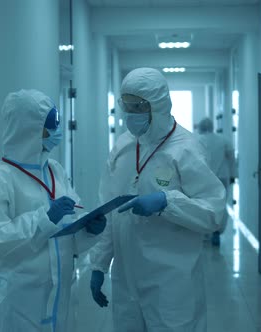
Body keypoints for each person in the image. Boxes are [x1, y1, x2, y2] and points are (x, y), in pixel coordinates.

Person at [88, 68, 226, 332]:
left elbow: (214, 213)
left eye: (137, 106)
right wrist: (99, 263)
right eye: (125, 105)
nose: (130, 114)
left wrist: (168, 202)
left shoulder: (186, 149)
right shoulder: (123, 148)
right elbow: (108, 209)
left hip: (172, 284)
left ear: (158, 105)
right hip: (127, 281)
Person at [0, 89, 106, 332]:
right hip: (17, 303)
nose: (57, 131)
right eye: (51, 125)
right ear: (29, 130)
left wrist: (89, 231)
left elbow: (68, 233)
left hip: (58, 300)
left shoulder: (54, 170)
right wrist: (44, 219)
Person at [197, 117, 237, 246]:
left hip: (203, 179)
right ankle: (217, 233)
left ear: (200, 127)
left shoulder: (197, 140)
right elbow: (232, 159)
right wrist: (233, 176)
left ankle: (205, 233)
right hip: (222, 178)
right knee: (220, 206)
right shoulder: (224, 140)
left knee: (203, 206)